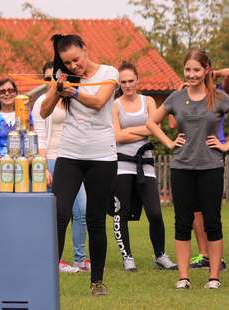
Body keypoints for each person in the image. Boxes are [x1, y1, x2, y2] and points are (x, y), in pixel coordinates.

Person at [40, 34, 118, 296]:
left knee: (95, 218)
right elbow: (44, 111)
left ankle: (96, 282)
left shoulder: (109, 72)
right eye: (67, 62)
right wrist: (57, 89)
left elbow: (98, 103)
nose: (73, 66)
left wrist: (73, 91)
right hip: (70, 154)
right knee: (59, 213)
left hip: (102, 157)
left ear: (86, 48)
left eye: (76, 59)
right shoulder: (64, 77)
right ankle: (48, 276)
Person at [147, 49, 229, 289]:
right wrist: (170, 143)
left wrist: (225, 145)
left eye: (196, 69)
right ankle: (184, 278)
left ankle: (214, 278)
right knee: (182, 222)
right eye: (188, 70)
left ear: (206, 71)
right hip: (181, 167)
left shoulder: (221, 98)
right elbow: (151, 122)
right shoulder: (175, 98)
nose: (192, 74)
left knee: (212, 222)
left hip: (211, 167)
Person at [110, 61, 177, 272]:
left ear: (138, 80)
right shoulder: (114, 105)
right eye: (123, 82)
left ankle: (160, 255)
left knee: (155, 212)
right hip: (122, 164)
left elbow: (154, 128)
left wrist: (140, 130)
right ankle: (127, 257)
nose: (128, 85)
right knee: (122, 212)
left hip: (145, 163)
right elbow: (117, 136)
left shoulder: (148, 101)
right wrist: (145, 129)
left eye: (131, 81)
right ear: (119, 83)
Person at [32, 61, 89, 273]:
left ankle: (80, 259)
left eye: (55, 77)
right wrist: (43, 166)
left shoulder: (70, 99)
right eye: (48, 78)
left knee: (81, 210)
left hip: (73, 159)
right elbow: (39, 134)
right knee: (57, 214)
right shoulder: (41, 103)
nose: (52, 81)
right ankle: (53, 260)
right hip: (51, 160)